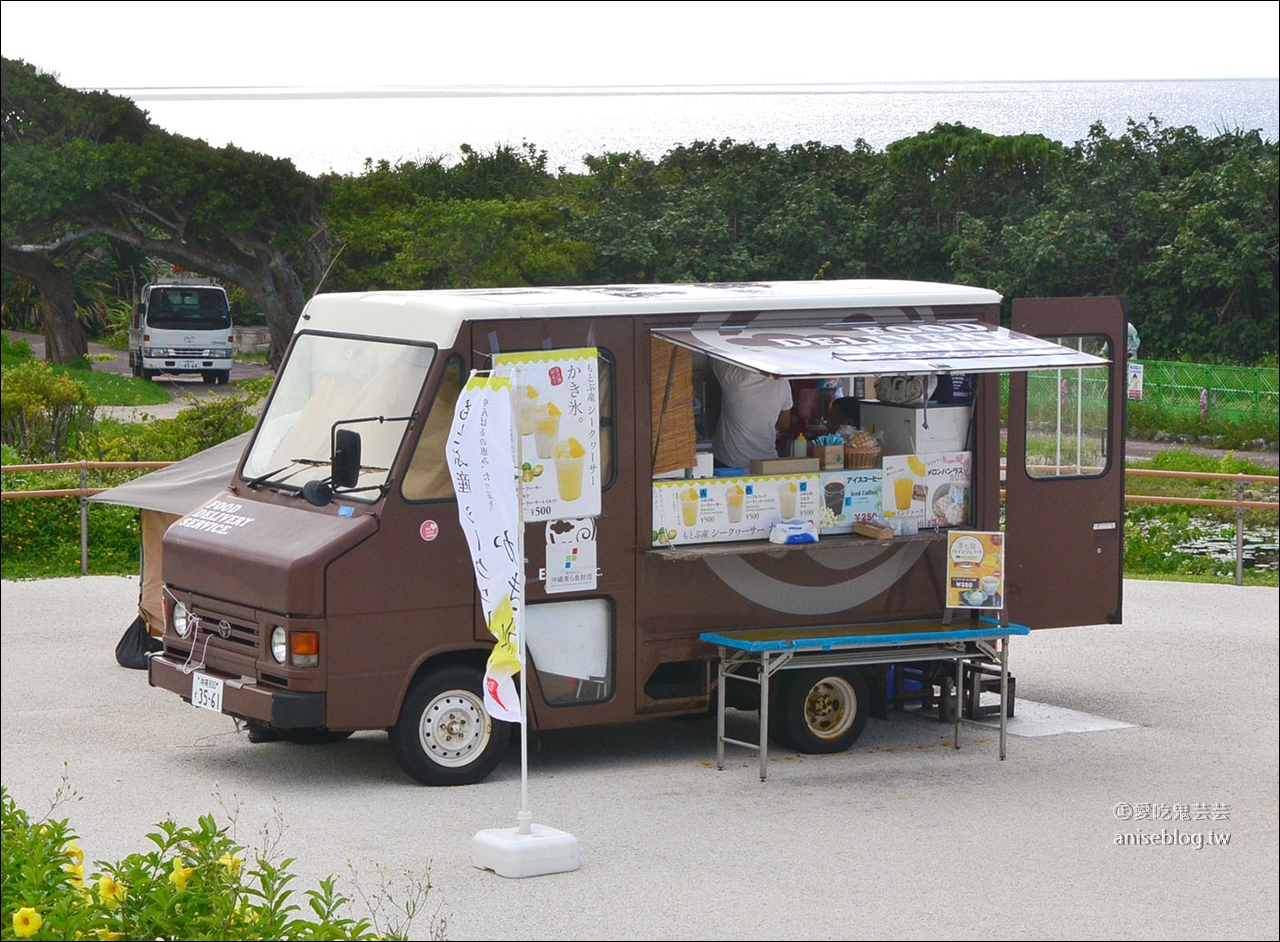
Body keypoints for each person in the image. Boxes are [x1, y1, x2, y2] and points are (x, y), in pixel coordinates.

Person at [711, 359, 792, 469]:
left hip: (729, 462)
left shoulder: (733, 376)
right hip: (766, 462)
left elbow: (712, 352)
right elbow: (784, 424)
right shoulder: (782, 382)